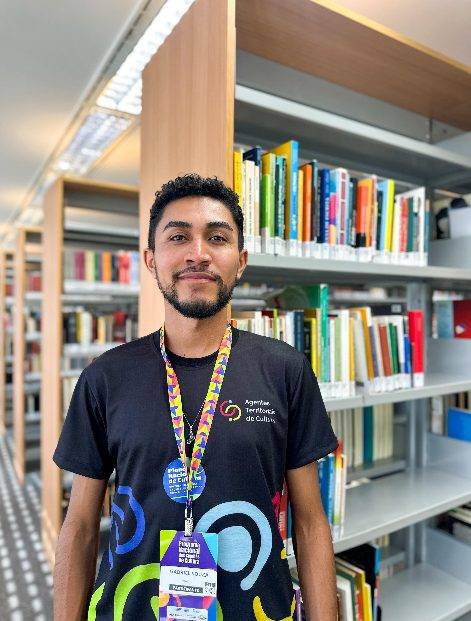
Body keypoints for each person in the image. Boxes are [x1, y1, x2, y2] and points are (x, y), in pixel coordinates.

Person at [53, 174, 339, 621]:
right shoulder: (105, 377)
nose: (198, 253)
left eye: (217, 238)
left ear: (241, 261)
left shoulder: (285, 370)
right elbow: (81, 526)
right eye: (178, 237)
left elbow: (309, 521)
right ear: (151, 260)